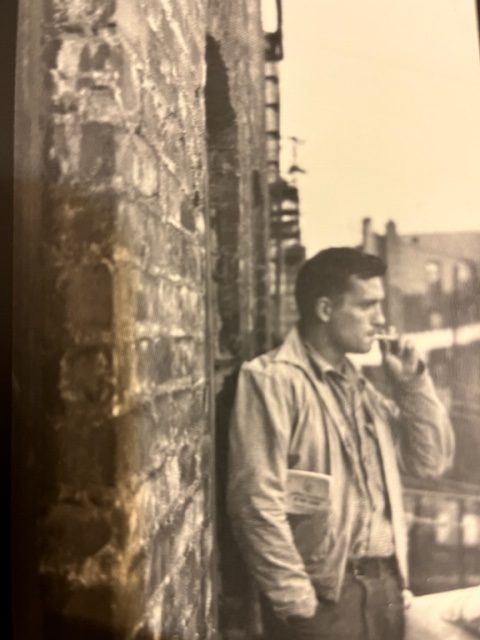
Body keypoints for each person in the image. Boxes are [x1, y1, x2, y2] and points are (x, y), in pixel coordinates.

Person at [227, 247, 454, 640]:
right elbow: (254, 503)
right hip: (326, 599)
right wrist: (300, 606)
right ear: (326, 309)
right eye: (368, 306)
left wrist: (412, 383)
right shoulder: (273, 381)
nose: (381, 320)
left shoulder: (359, 389)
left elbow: (428, 461)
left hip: (386, 591)